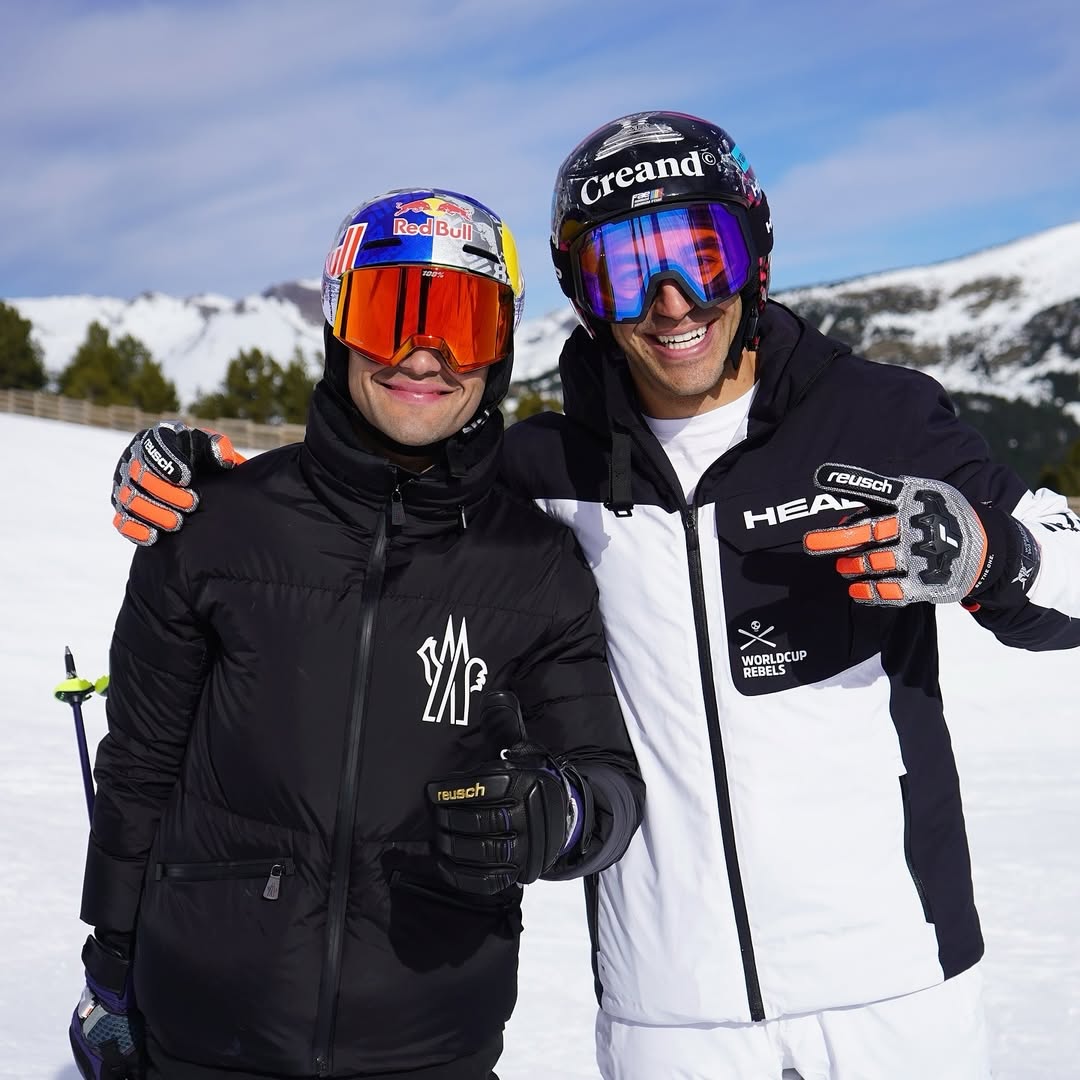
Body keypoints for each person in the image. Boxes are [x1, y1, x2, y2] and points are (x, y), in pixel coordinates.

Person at [105, 114, 1080, 1080]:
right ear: (582, 294)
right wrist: (207, 474)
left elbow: (1064, 573)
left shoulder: (881, 417)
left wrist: (995, 554)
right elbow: (365, 494)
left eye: (703, 253)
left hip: (899, 982)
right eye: (625, 269)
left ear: (756, 251)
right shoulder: (544, 473)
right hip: (673, 1014)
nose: (670, 301)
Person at [73, 187, 643, 1080]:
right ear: (341, 325)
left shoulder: (537, 565)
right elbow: (141, 764)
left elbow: (607, 783)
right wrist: (109, 963)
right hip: (204, 1029)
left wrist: (554, 815)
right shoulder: (215, 526)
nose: (426, 353)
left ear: (498, 350)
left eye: (464, 321)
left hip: (430, 1037)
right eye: (392, 313)